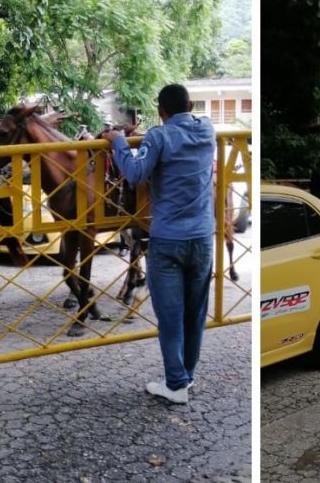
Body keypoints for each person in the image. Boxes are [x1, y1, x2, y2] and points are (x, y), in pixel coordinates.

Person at [102, 84, 214, 404]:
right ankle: (185, 376)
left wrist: (119, 142)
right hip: (203, 239)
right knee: (195, 313)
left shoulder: (159, 136)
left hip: (168, 242)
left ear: (161, 112)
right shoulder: (207, 129)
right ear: (191, 104)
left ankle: (176, 384)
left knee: (170, 315)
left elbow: (136, 174)